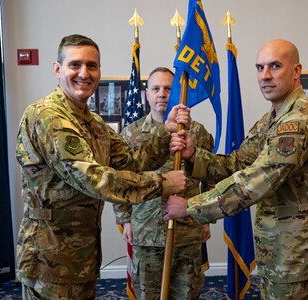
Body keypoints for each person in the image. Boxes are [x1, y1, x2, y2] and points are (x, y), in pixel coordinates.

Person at [15, 34, 190, 300]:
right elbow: (94, 179)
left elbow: (131, 163)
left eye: (92, 66)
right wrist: (164, 183)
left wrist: (164, 135)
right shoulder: (48, 116)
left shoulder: (93, 123)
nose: (84, 73)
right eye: (75, 65)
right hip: (50, 258)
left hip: (82, 256)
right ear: (57, 69)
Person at [165, 39, 308, 299]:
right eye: (259, 67)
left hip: (298, 258)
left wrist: (190, 207)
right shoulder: (272, 120)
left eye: (275, 66)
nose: (265, 76)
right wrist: (194, 155)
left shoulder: (300, 122)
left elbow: (256, 180)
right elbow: (238, 164)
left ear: (296, 70)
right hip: (277, 251)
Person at [114, 67, 214, 299]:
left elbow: (210, 176)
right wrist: (125, 219)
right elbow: (119, 180)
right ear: (146, 94)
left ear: (178, 92)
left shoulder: (197, 132)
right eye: (156, 89)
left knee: (187, 294)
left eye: (168, 88)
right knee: (148, 294)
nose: (162, 94)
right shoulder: (131, 134)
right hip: (145, 229)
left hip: (187, 229)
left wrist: (206, 216)